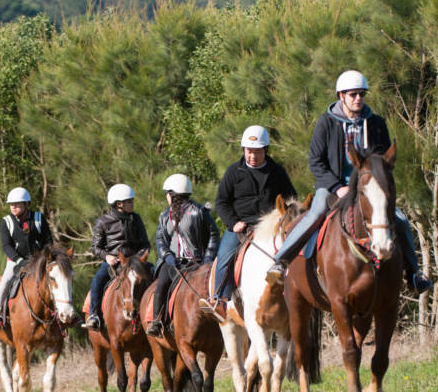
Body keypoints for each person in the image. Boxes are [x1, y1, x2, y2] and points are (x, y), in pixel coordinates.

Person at [265, 70, 432, 292]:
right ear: (341, 96)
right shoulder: (326, 123)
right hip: (332, 186)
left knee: (400, 219)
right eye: (353, 94)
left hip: (368, 188)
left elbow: (381, 163)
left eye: (362, 94)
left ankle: (413, 273)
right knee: (315, 214)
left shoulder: (376, 124)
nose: (358, 99)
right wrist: (336, 187)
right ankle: (280, 260)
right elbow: (316, 161)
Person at [208, 126, 297, 321]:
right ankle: (219, 300)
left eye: (257, 151)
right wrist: (233, 223)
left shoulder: (277, 172)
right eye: (249, 151)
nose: (253, 155)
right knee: (224, 255)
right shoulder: (233, 172)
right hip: (241, 227)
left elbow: (291, 198)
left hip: (271, 227)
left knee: (296, 252)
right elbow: (222, 202)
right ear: (244, 150)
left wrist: (281, 218)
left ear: (265, 150)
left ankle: (300, 295)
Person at [146, 174, 220, 337]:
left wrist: (207, 259)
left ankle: (220, 324)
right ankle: (157, 321)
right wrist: (167, 256)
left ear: (171, 194)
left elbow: (214, 235)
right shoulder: (164, 216)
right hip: (172, 263)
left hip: (197, 263)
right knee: (162, 284)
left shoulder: (199, 212)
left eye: (167, 193)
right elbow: (160, 239)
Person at [83, 184, 150, 330]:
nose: (132, 204)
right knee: (97, 280)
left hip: (135, 262)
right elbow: (96, 247)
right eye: (129, 201)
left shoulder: (136, 219)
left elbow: (145, 244)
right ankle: (94, 314)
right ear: (119, 204)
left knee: (156, 273)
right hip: (114, 263)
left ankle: (157, 315)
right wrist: (107, 257)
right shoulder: (103, 221)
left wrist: (138, 258)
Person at [0, 187, 54, 329]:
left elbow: (48, 241)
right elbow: (7, 246)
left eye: (17, 204)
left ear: (27, 205)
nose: (13, 207)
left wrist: (43, 258)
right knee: (5, 282)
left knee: (58, 278)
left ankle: (66, 313)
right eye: (11, 204)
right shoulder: (6, 222)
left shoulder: (39, 218)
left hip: (39, 261)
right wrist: (19, 261)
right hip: (15, 261)